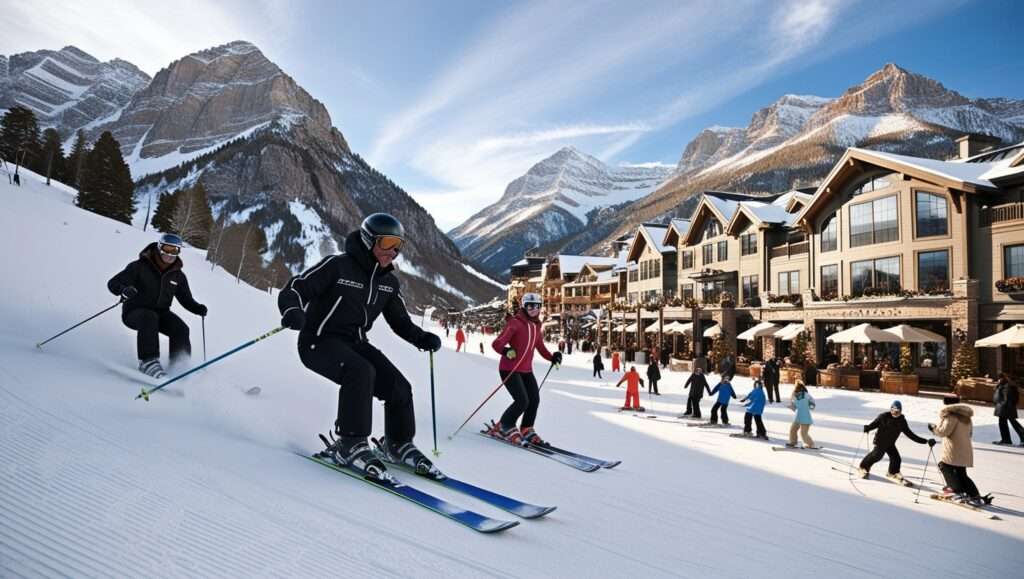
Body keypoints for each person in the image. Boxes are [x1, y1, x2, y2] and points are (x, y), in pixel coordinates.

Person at [278, 213, 442, 480]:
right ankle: (349, 443)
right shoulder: (337, 266)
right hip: (317, 342)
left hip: (355, 343)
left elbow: (400, 321)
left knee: (398, 386)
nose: (394, 251)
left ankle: (398, 444)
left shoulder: (388, 282)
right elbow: (296, 288)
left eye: (398, 245)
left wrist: (422, 338)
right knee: (360, 371)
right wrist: (293, 310)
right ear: (369, 240)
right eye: (388, 243)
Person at [107, 233, 208, 379]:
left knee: (181, 328)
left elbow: (186, 299)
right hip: (135, 312)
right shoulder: (139, 266)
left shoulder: (177, 276)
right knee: (149, 316)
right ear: (159, 247)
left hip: (161, 314)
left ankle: (179, 367)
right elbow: (113, 283)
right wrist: (123, 290)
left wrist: (197, 308)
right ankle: (148, 362)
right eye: (167, 248)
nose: (170, 254)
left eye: (175, 250)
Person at [486, 293, 563, 445]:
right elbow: (497, 343)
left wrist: (552, 357)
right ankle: (504, 426)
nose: (534, 309)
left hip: (526, 370)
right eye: (530, 306)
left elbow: (540, 347)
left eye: (537, 306)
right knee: (522, 401)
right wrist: (506, 351)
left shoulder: (536, 326)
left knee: (534, 400)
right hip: (509, 369)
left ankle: (527, 428)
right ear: (524, 306)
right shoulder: (515, 323)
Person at [858, 400, 935, 482]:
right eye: (892, 410)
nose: (894, 413)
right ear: (890, 409)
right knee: (877, 455)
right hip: (880, 441)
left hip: (890, 443)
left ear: (900, 411)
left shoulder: (901, 421)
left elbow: (911, 435)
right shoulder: (883, 416)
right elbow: (874, 424)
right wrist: (868, 427)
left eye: (897, 411)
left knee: (896, 458)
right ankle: (863, 466)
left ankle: (892, 472)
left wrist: (926, 441)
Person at [929, 395, 984, 503]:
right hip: (965, 448)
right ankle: (974, 494)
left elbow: (944, 432)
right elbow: (970, 433)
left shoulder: (951, 417)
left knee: (944, 465)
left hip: (953, 448)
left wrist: (933, 429)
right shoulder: (966, 417)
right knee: (961, 472)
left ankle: (956, 490)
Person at [993, 373, 1024, 446]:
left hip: (1005, 408)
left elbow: (1007, 398)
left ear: (1004, 378)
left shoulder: (1007, 386)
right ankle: (1006, 439)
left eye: (1000, 378)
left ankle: (1006, 440)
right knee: (1008, 423)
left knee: (1009, 423)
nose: (998, 380)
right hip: (1005, 407)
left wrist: (1002, 405)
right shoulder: (1005, 385)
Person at [786, 381, 816, 448]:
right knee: (793, 430)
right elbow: (796, 406)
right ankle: (793, 442)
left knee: (803, 433)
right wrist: (792, 406)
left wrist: (810, 405)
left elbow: (812, 405)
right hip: (799, 416)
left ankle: (811, 444)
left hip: (805, 417)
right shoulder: (797, 396)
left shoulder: (804, 395)